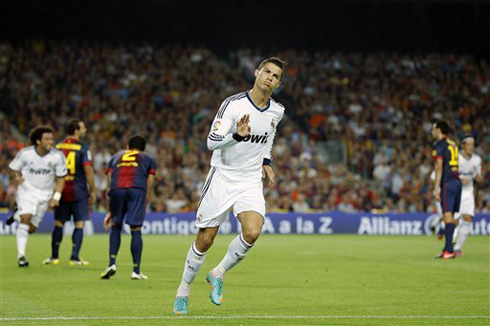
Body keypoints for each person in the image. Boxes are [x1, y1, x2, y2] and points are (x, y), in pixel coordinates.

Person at [172, 57, 286, 315]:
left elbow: (269, 136)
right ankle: (183, 291)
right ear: (256, 73)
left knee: (253, 232)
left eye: (275, 75)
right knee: (206, 239)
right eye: (266, 71)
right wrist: (237, 136)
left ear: (278, 83)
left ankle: (218, 272)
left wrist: (266, 160)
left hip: (249, 180)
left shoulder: (277, 111)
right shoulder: (233, 105)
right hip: (222, 176)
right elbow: (212, 142)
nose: (269, 77)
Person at [7, 126, 67, 267]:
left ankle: (16, 215)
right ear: (38, 141)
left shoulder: (57, 156)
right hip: (27, 191)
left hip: (45, 195)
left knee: (31, 229)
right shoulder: (26, 153)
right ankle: (21, 256)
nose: (50, 142)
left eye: (52, 139)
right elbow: (13, 168)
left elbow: (61, 179)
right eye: (47, 139)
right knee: (25, 218)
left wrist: (56, 197)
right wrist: (17, 177)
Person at [100, 135, 157, 280]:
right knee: (135, 229)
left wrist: (109, 207)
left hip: (116, 190)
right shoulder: (147, 158)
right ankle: (136, 271)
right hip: (136, 189)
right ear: (143, 149)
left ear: (128, 146)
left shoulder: (115, 157)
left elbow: (109, 180)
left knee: (116, 225)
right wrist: (146, 198)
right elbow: (150, 180)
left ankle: (111, 263)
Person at [43, 119, 96, 266]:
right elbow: (88, 170)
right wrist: (93, 190)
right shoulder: (83, 148)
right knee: (79, 224)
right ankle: (74, 257)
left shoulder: (58, 147)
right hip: (78, 190)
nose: (85, 129)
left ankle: (54, 257)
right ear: (76, 130)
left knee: (59, 223)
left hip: (61, 190)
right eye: (83, 127)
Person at [431, 120, 462, 259]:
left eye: (433, 129)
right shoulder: (453, 144)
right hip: (457, 181)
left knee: (447, 215)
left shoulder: (440, 145)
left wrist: (436, 187)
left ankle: (449, 250)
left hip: (447, 182)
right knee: (450, 216)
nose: (432, 132)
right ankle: (447, 248)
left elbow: (439, 167)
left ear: (438, 129)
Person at [453, 134, 483, 256]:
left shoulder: (477, 159)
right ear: (463, 145)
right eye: (469, 144)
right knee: (453, 220)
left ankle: (457, 248)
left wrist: (479, 178)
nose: (471, 147)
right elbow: (449, 174)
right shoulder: (456, 157)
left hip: (468, 193)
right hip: (455, 192)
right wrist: (459, 180)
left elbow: (478, 176)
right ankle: (449, 243)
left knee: (468, 218)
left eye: (473, 144)